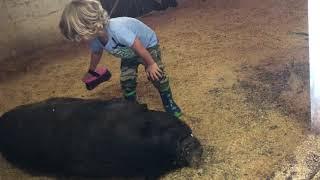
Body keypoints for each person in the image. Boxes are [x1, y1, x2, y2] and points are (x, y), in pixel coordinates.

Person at [59, 0, 182, 118]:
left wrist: (150, 64)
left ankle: (169, 102)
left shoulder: (117, 29)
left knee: (156, 74)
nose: (80, 40)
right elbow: (96, 53)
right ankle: (131, 106)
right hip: (128, 53)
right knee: (126, 81)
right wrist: (91, 71)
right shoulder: (95, 38)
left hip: (146, 47)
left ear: (88, 26)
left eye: (80, 35)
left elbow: (137, 45)